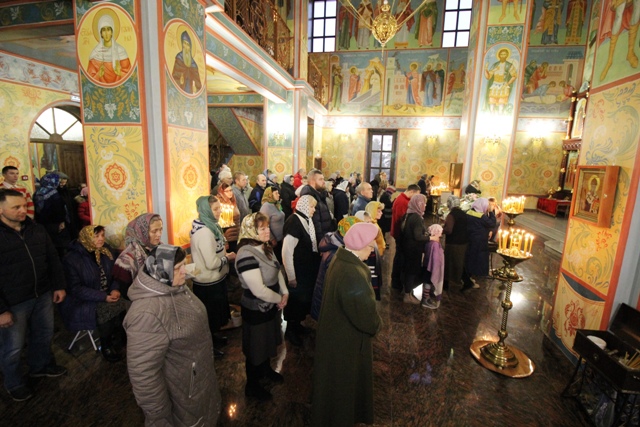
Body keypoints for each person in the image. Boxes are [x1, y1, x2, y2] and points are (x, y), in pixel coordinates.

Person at [124, 244, 221, 425]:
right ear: (161, 271)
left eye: (184, 264)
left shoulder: (173, 285)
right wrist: (159, 414)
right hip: (180, 394)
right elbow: (143, 373)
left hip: (195, 382)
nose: (185, 271)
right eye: (177, 268)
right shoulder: (146, 314)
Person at [311, 222, 381, 427]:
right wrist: (377, 324)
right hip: (345, 342)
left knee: (332, 385)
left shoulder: (340, 259)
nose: (371, 251)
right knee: (343, 389)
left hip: (334, 335)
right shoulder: (353, 273)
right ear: (360, 246)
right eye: (370, 247)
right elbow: (366, 317)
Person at [0, 189, 67, 402]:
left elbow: (52, 258)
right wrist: (1, 310)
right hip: (13, 302)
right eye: (16, 207)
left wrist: (59, 286)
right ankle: (14, 383)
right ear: (1, 209)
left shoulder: (36, 229)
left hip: (42, 293)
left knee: (43, 334)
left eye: (23, 205)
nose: (23, 210)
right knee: (13, 347)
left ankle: (40, 366)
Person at [235, 213, 289, 401]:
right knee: (256, 346)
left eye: (267, 227)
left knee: (267, 340)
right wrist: (279, 299)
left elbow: (277, 269)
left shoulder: (265, 246)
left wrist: (285, 292)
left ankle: (265, 370)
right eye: (262, 228)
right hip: (256, 308)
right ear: (251, 231)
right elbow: (258, 290)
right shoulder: (245, 254)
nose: (268, 231)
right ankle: (252, 385)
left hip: (271, 303)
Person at [60, 225, 127, 362]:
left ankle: (119, 337)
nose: (101, 239)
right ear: (86, 238)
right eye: (96, 236)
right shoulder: (72, 259)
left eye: (102, 235)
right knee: (106, 309)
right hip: (83, 301)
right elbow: (76, 289)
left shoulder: (106, 251)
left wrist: (115, 289)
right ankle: (106, 345)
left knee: (124, 302)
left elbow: (114, 275)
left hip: (106, 294)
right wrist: (103, 297)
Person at [190, 195, 236, 359]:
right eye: (215, 209)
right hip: (208, 282)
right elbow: (211, 263)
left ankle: (214, 338)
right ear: (206, 211)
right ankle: (208, 347)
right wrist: (228, 258)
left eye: (219, 208)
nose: (219, 212)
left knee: (215, 316)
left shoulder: (211, 226)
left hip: (215, 279)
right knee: (210, 317)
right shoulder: (204, 232)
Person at [282, 195, 321, 347]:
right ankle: (291, 330)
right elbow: (287, 252)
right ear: (304, 206)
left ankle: (297, 325)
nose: (314, 210)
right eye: (312, 207)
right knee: (295, 300)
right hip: (297, 272)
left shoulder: (305, 219)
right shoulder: (294, 222)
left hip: (306, 271)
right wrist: (291, 276)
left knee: (302, 300)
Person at [310, 216, 360, 321]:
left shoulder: (333, 242)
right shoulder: (336, 253)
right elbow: (334, 283)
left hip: (324, 300)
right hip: (326, 304)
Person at [112, 213, 163, 299]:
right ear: (141, 233)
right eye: (154, 231)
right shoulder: (126, 259)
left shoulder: (161, 248)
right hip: (139, 301)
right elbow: (126, 292)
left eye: (161, 229)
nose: (159, 234)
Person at [399, 194, 430, 304]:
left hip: (407, 248)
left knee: (408, 271)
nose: (425, 205)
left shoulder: (408, 214)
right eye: (423, 203)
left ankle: (407, 291)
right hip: (413, 250)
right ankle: (407, 295)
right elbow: (417, 236)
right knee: (411, 272)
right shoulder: (416, 217)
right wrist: (431, 238)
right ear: (418, 204)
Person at [462, 198, 497, 290]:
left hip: (469, 239)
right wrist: (491, 212)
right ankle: (473, 276)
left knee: (470, 257)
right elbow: (492, 223)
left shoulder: (469, 212)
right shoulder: (480, 216)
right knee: (477, 258)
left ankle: (468, 276)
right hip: (479, 241)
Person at [390, 184, 420, 291]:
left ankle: (398, 280)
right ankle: (396, 281)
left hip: (400, 233)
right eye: (416, 195)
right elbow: (402, 220)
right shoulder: (402, 201)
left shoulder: (404, 199)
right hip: (400, 233)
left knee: (400, 257)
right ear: (411, 192)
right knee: (399, 258)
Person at [33, 173, 71, 258]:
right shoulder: (53, 193)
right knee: (60, 247)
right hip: (55, 223)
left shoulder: (38, 192)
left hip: (42, 223)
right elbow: (59, 209)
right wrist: (62, 221)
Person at [87, 13, 131, 84]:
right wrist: (98, 75)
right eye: (103, 30)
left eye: (108, 29)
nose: (106, 33)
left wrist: (119, 73)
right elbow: (89, 80)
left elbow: (130, 77)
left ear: (112, 32)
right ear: (100, 33)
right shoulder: (95, 54)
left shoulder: (121, 51)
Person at [300, 169, 335, 243]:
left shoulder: (320, 194)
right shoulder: (310, 197)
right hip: (320, 239)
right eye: (320, 179)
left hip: (326, 235)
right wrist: (322, 242)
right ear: (312, 182)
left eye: (323, 179)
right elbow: (315, 223)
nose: (323, 182)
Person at [442, 196, 468, 290]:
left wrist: (441, 229)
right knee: (459, 263)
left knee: (449, 264)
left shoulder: (451, 215)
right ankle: (466, 281)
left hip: (453, 243)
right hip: (463, 242)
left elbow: (449, 230)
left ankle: (446, 284)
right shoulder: (464, 214)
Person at [484, 48, 517, 114]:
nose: (503, 56)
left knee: (501, 103)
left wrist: (508, 83)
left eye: (504, 54)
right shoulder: (495, 65)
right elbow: (488, 77)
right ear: (499, 55)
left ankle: (500, 115)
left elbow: (514, 76)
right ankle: (491, 115)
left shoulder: (509, 65)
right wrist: (486, 69)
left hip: (503, 86)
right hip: (494, 86)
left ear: (507, 56)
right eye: (501, 54)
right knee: (492, 102)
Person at [365, 201, 385, 300]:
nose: (381, 213)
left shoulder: (374, 223)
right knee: (373, 276)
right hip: (372, 256)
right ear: (372, 211)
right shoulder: (371, 226)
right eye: (378, 211)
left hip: (376, 254)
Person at [421, 224, 445, 309]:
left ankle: (426, 297)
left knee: (427, 281)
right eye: (440, 232)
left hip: (427, 265)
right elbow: (435, 258)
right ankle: (425, 299)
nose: (441, 235)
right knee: (428, 282)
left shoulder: (430, 242)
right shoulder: (434, 244)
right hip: (430, 267)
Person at [260, 187, 285, 262]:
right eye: (276, 193)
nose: (278, 195)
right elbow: (264, 224)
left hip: (281, 239)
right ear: (270, 195)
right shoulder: (266, 207)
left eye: (278, 193)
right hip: (273, 241)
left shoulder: (276, 204)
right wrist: (271, 238)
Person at [217, 183, 241, 253]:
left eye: (230, 190)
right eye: (227, 191)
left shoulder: (232, 201)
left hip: (236, 235)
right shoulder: (220, 204)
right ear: (221, 192)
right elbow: (220, 225)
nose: (230, 193)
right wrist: (225, 241)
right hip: (228, 237)